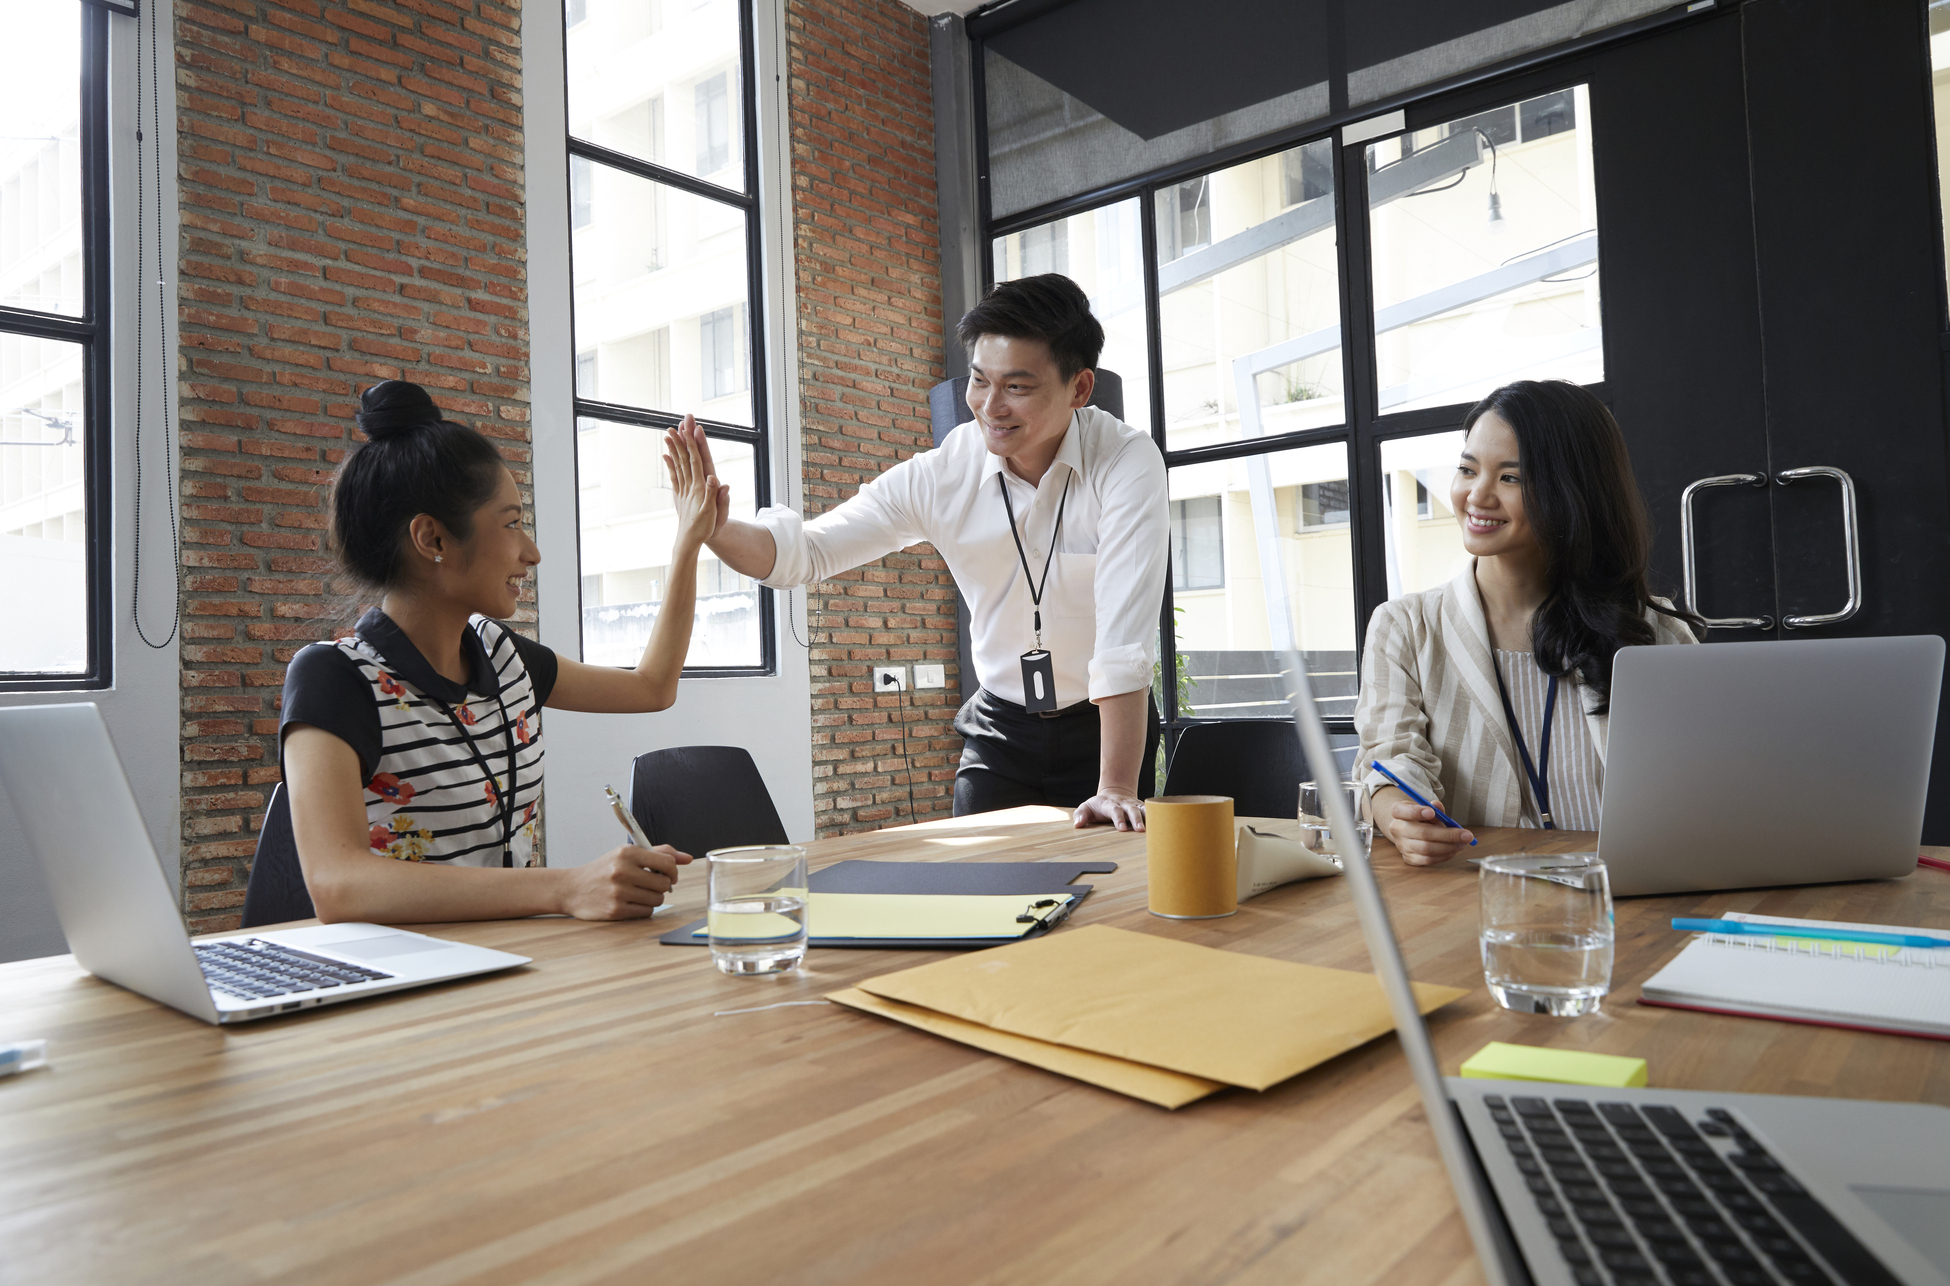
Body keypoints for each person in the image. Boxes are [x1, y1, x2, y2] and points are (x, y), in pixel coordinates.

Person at [677, 273, 1168, 830]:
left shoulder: (1126, 462)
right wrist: (715, 529)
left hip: (1103, 735)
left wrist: (1116, 787)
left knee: (1103, 895)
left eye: (1018, 387)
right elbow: (807, 552)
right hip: (1002, 730)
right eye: (980, 381)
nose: (990, 406)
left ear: (1080, 389)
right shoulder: (944, 474)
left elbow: (1123, 641)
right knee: (980, 901)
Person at [279, 380, 721, 922]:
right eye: (512, 523)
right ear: (433, 540)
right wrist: (565, 888)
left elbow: (652, 688)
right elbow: (337, 885)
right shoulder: (333, 678)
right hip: (401, 987)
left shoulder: (503, 656)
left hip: (512, 965)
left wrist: (688, 541)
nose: (530, 552)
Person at [1355, 379, 1701, 865]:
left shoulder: (1657, 634)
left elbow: (1702, 786)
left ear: (1573, 490)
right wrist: (1398, 815)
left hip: (1627, 892)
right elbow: (1389, 761)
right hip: (1478, 895)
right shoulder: (1406, 627)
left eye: (1510, 478)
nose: (1477, 495)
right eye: (1467, 469)